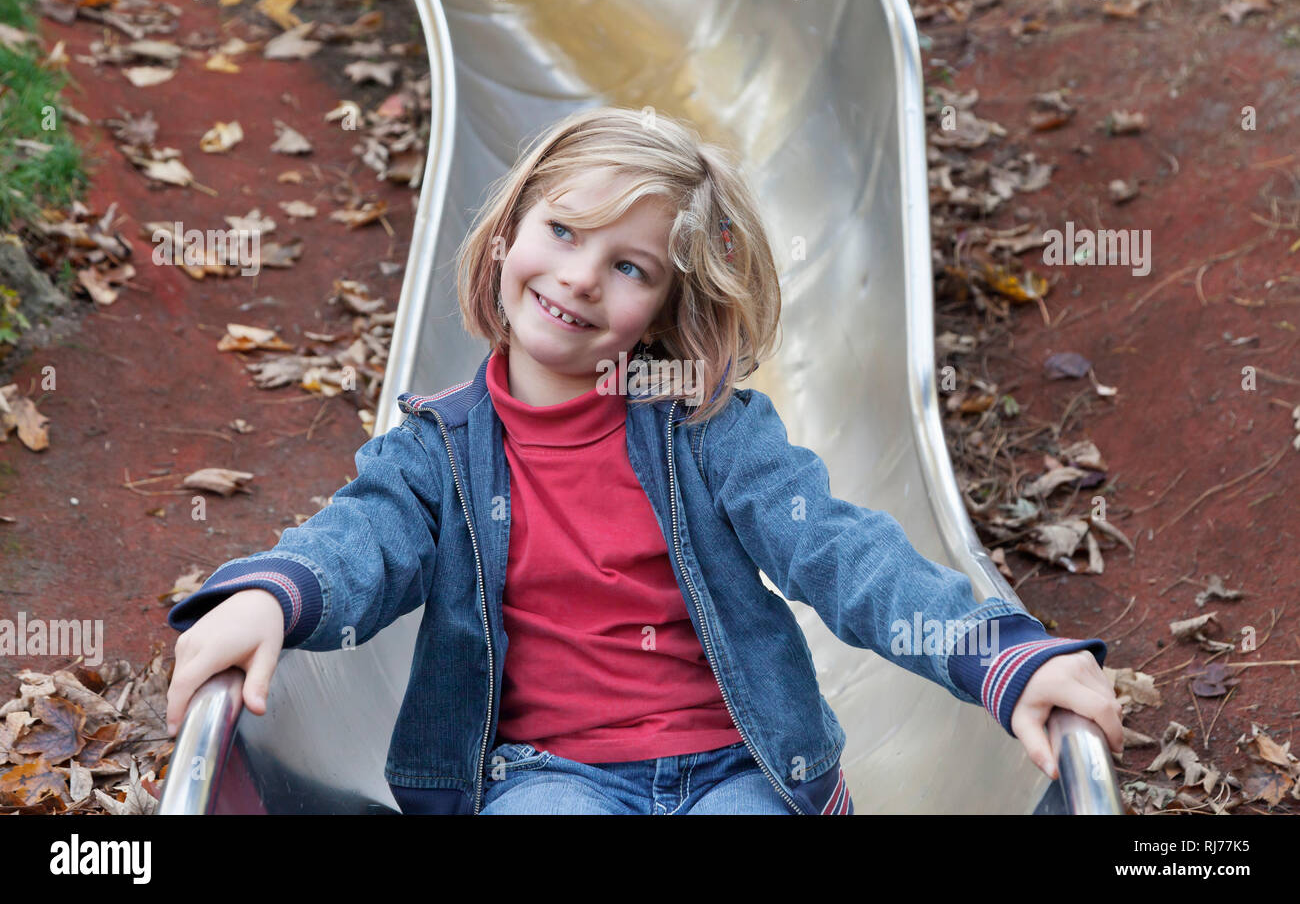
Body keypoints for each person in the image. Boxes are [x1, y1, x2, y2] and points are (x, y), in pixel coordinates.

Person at [165, 106, 1124, 815]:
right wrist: (271, 593)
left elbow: (841, 553)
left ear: (664, 311)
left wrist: (998, 657)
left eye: (630, 267)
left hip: (741, 765)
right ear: (506, 234)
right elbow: (360, 539)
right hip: (548, 774)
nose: (580, 276)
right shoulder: (440, 452)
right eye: (562, 231)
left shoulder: (708, 432)